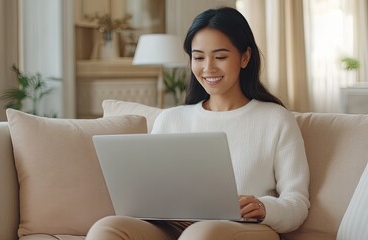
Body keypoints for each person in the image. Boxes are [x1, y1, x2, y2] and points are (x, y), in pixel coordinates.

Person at [86, 6, 310, 240]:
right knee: (107, 228)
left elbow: (297, 202)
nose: (208, 68)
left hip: (246, 228)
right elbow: (151, 189)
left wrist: (265, 208)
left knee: (202, 234)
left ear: (245, 57)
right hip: (174, 226)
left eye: (220, 57)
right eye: (199, 57)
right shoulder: (171, 120)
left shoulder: (276, 119)